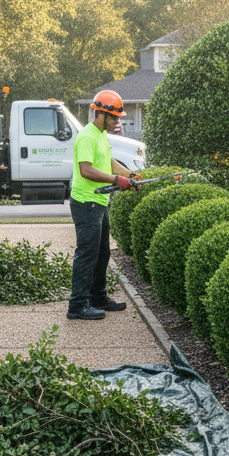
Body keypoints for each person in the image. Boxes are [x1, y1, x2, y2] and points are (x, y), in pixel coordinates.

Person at [67, 90, 141, 320]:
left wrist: (129, 174)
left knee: (102, 253)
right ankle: (77, 306)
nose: (118, 121)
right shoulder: (88, 136)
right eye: (115, 117)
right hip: (86, 202)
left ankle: (98, 298)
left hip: (99, 202)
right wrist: (115, 180)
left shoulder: (100, 135)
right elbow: (86, 170)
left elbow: (107, 161)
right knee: (87, 254)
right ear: (102, 114)